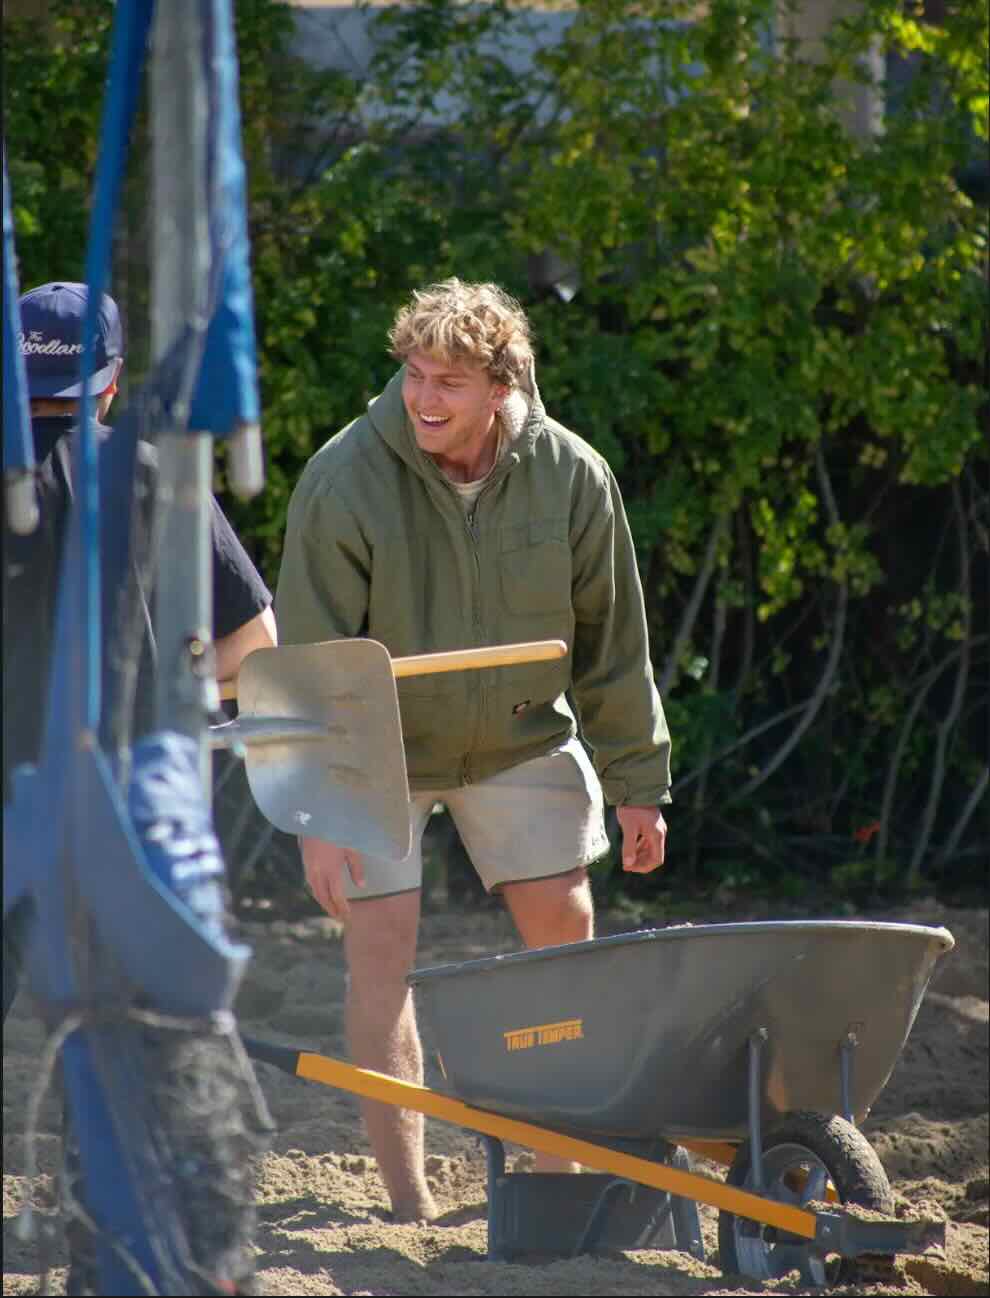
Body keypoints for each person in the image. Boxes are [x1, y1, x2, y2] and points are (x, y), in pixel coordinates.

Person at [275, 278, 672, 1221]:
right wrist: (316, 818)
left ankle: (553, 1183)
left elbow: (615, 644)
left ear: (502, 387)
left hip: (518, 734)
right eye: (414, 374)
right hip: (380, 752)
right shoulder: (343, 478)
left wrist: (638, 784)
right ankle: (407, 1207)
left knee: (565, 941)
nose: (424, 399)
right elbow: (309, 661)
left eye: (449, 380)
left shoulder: (573, 473)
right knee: (381, 956)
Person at [3, 280, 277, 1019]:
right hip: (119, 808)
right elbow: (257, 648)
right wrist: (167, 679)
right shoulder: (160, 479)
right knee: (109, 1042)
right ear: (112, 383)